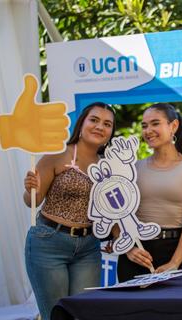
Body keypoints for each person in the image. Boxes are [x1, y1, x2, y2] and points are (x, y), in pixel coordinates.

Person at [23, 102, 116, 320]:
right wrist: (30, 189)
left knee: (84, 314)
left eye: (107, 124)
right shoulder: (58, 154)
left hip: (88, 248)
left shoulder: (109, 166)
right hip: (49, 243)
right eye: (94, 120)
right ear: (82, 123)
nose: (99, 127)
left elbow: (112, 210)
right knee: (57, 316)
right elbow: (32, 201)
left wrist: (120, 238)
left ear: (111, 132)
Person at [117, 103, 182, 282]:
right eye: (144, 126)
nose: (148, 130)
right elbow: (118, 214)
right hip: (137, 254)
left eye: (155, 123)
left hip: (174, 253)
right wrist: (128, 248)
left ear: (173, 126)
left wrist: (175, 262)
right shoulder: (132, 169)